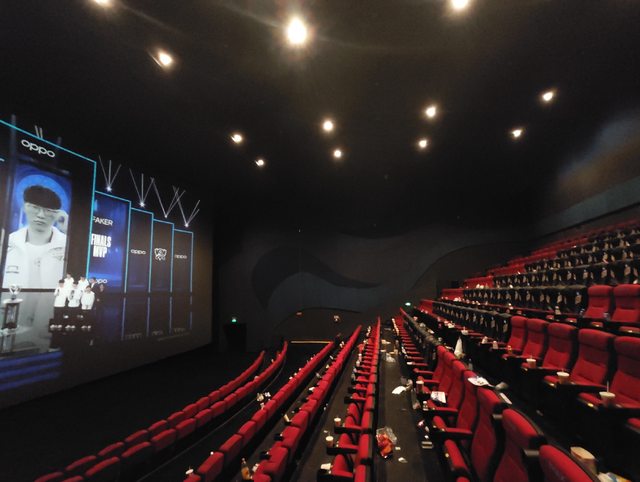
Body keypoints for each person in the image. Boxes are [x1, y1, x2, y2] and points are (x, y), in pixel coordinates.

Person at [2, 185, 68, 289]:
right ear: (24, 207)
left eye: (48, 210)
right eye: (35, 208)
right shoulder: (7, 242)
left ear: (57, 214)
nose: (41, 215)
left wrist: (68, 231)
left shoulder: (66, 244)